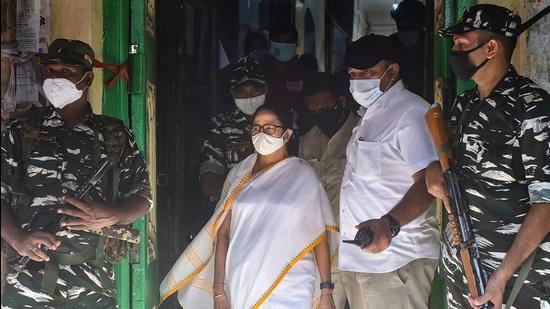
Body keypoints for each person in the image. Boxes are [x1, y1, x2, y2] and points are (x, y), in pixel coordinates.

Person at [1, 38, 152, 307]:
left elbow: (143, 197)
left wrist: (112, 215)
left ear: (88, 78)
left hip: (93, 280)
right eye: (51, 71)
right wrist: (17, 238)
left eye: (66, 72)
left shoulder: (113, 133)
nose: (56, 78)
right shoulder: (20, 131)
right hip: (28, 280)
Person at [426, 4, 550, 308]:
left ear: (491, 47)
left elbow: (545, 205)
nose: (453, 50)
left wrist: (501, 277)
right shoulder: (464, 104)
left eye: (461, 44)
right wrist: (433, 173)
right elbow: (450, 166)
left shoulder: (532, 108)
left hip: (514, 285)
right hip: (461, 274)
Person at [160, 105, 338, 309]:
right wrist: (219, 290)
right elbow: (223, 234)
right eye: (256, 128)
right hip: (243, 278)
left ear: (287, 134)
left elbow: (318, 235)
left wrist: (326, 291)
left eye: (270, 128)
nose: (262, 133)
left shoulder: (303, 174)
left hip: (292, 282)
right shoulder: (239, 174)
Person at [338, 34, 440, 309]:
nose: (359, 80)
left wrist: (390, 224)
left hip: (397, 260)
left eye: (368, 72)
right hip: (361, 258)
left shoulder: (411, 114)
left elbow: (429, 183)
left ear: (392, 70)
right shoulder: (370, 114)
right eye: (353, 74)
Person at [300, 72, 360, 309]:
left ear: (342, 102)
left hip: (359, 245)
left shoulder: (362, 132)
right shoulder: (307, 141)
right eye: (313, 113)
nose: (318, 117)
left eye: (323, 110)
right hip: (324, 247)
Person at [199, 56, 266, 201]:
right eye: (242, 92)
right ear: (233, 93)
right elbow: (208, 183)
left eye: (256, 90)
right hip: (232, 209)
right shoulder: (220, 126)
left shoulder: (284, 123)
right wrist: (249, 194)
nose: (250, 97)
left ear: (267, 89)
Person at [264, 24, 309, 137]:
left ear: (296, 43)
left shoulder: (304, 71)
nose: (284, 45)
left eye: (289, 41)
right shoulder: (261, 72)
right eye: (279, 41)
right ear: (270, 43)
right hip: (268, 131)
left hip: (300, 132)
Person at [389, 0, 426, 98]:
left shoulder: (431, 43)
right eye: (401, 26)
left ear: (422, 24)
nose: (406, 30)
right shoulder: (391, 43)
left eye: (411, 26)